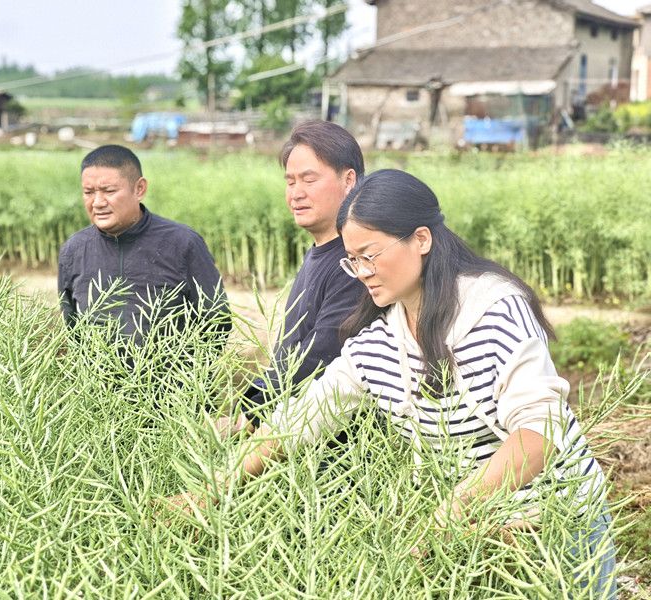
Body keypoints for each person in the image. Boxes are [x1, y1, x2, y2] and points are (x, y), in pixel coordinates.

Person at [176, 169, 616, 596]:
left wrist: (452, 512)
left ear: (420, 239)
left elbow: (539, 431)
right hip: (479, 530)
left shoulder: (494, 308)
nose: (362, 270)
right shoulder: (380, 339)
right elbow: (301, 419)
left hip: (556, 523)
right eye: (353, 260)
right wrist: (213, 488)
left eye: (371, 254)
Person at [220, 121, 366, 435]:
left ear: (349, 180)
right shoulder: (320, 250)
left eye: (309, 179)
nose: (296, 193)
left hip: (322, 443)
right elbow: (290, 357)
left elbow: (317, 360)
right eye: (290, 182)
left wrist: (249, 418)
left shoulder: (354, 264)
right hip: (286, 421)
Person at [58, 144, 230, 344]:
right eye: (88, 192)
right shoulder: (74, 249)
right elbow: (72, 323)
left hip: (170, 375)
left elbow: (217, 320)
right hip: (98, 375)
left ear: (139, 189)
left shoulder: (183, 243)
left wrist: (184, 370)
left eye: (109, 191)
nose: (97, 202)